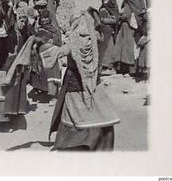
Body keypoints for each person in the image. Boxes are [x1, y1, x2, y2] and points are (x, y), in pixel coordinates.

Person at [46, 10, 120, 151]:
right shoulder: (96, 38)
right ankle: (99, 144)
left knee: (75, 118)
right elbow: (107, 27)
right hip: (92, 86)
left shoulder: (73, 41)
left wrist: (42, 48)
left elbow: (58, 52)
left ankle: (73, 145)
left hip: (75, 87)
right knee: (98, 114)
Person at [30, 9, 62, 106]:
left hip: (52, 56)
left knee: (52, 75)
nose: (44, 20)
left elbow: (59, 41)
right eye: (42, 18)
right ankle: (45, 92)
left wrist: (53, 41)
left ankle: (54, 96)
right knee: (43, 74)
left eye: (46, 17)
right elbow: (35, 39)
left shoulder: (54, 29)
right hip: (41, 56)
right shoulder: (39, 29)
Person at [113, 0, 146, 76]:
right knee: (121, 48)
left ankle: (132, 70)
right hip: (123, 28)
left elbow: (140, 16)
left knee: (130, 49)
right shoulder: (125, 1)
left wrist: (126, 16)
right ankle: (122, 69)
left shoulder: (139, 2)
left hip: (132, 30)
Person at [98, 0, 119, 76]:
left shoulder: (113, 7)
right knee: (103, 49)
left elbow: (115, 20)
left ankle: (109, 67)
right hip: (103, 32)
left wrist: (105, 20)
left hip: (110, 32)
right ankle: (103, 67)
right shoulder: (102, 8)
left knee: (109, 49)